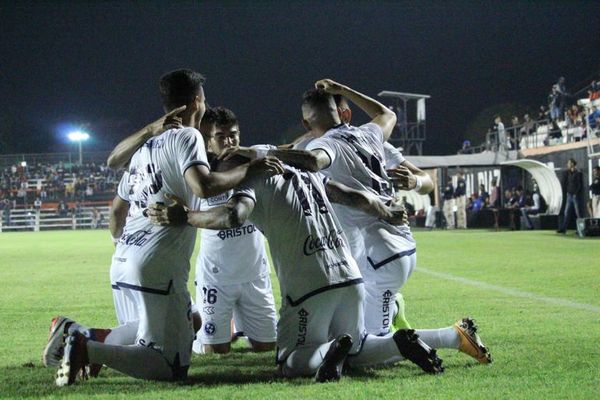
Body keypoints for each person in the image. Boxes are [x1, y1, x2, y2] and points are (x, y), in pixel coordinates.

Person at [149, 158, 489, 381]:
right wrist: (385, 211)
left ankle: (328, 350)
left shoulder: (251, 180)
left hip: (310, 286)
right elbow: (351, 195)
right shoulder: (305, 172)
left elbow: (234, 216)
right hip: (350, 276)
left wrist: (186, 216)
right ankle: (424, 340)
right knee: (356, 351)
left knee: (289, 362)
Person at [46, 68, 283, 386]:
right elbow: (204, 186)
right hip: (157, 262)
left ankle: (79, 334)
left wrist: (124, 243)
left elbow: (116, 184)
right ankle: (85, 347)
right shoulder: (189, 136)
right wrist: (250, 170)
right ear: (198, 101)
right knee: (166, 366)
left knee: (190, 319)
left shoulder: (145, 148)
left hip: (126, 258)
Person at [193, 107, 277, 355]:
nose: (229, 141)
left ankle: (239, 328)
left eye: (234, 135)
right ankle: (204, 337)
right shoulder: (200, 177)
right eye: (221, 136)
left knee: (267, 347)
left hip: (255, 274)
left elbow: (291, 151)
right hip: (216, 278)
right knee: (215, 351)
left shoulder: (256, 163)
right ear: (208, 143)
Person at [557, 158, 584, 234]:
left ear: (572, 164)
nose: (567, 165)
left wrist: (576, 193)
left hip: (575, 196)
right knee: (566, 212)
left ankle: (580, 229)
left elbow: (579, 185)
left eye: (568, 163)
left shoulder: (578, 173)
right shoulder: (568, 173)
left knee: (578, 213)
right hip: (569, 195)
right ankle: (564, 229)